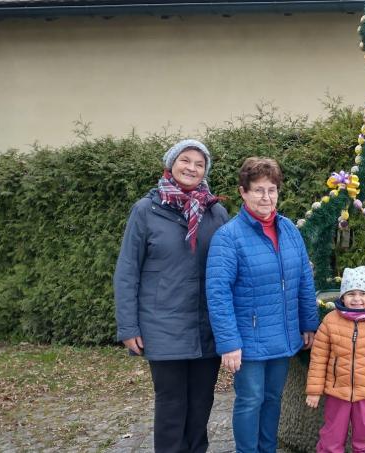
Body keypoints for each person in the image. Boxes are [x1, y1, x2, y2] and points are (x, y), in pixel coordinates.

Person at [114, 139, 228, 453]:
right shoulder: (146, 210)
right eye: (185, 160)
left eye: (199, 163)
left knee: (202, 404)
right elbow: (127, 271)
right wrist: (128, 327)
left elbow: (231, 268)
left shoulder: (216, 212)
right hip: (163, 327)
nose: (192, 167)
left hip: (207, 327)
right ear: (171, 164)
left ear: (206, 171)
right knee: (171, 406)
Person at [206, 157, 319, 453]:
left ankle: (267, 449)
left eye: (272, 189)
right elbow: (218, 293)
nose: (266, 197)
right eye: (258, 190)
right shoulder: (228, 237)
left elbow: (304, 279)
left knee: (272, 398)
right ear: (243, 192)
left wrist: (308, 323)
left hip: (282, 334)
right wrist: (229, 343)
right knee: (250, 399)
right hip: (249, 339)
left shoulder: (290, 230)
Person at [305, 266, 365, 453]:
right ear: (342, 298)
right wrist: (314, 391)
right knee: (332, 432)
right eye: (351, 294)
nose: (356, 299)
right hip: (337, 392)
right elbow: (318, 358)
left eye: (362, 293)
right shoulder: (330, 321)